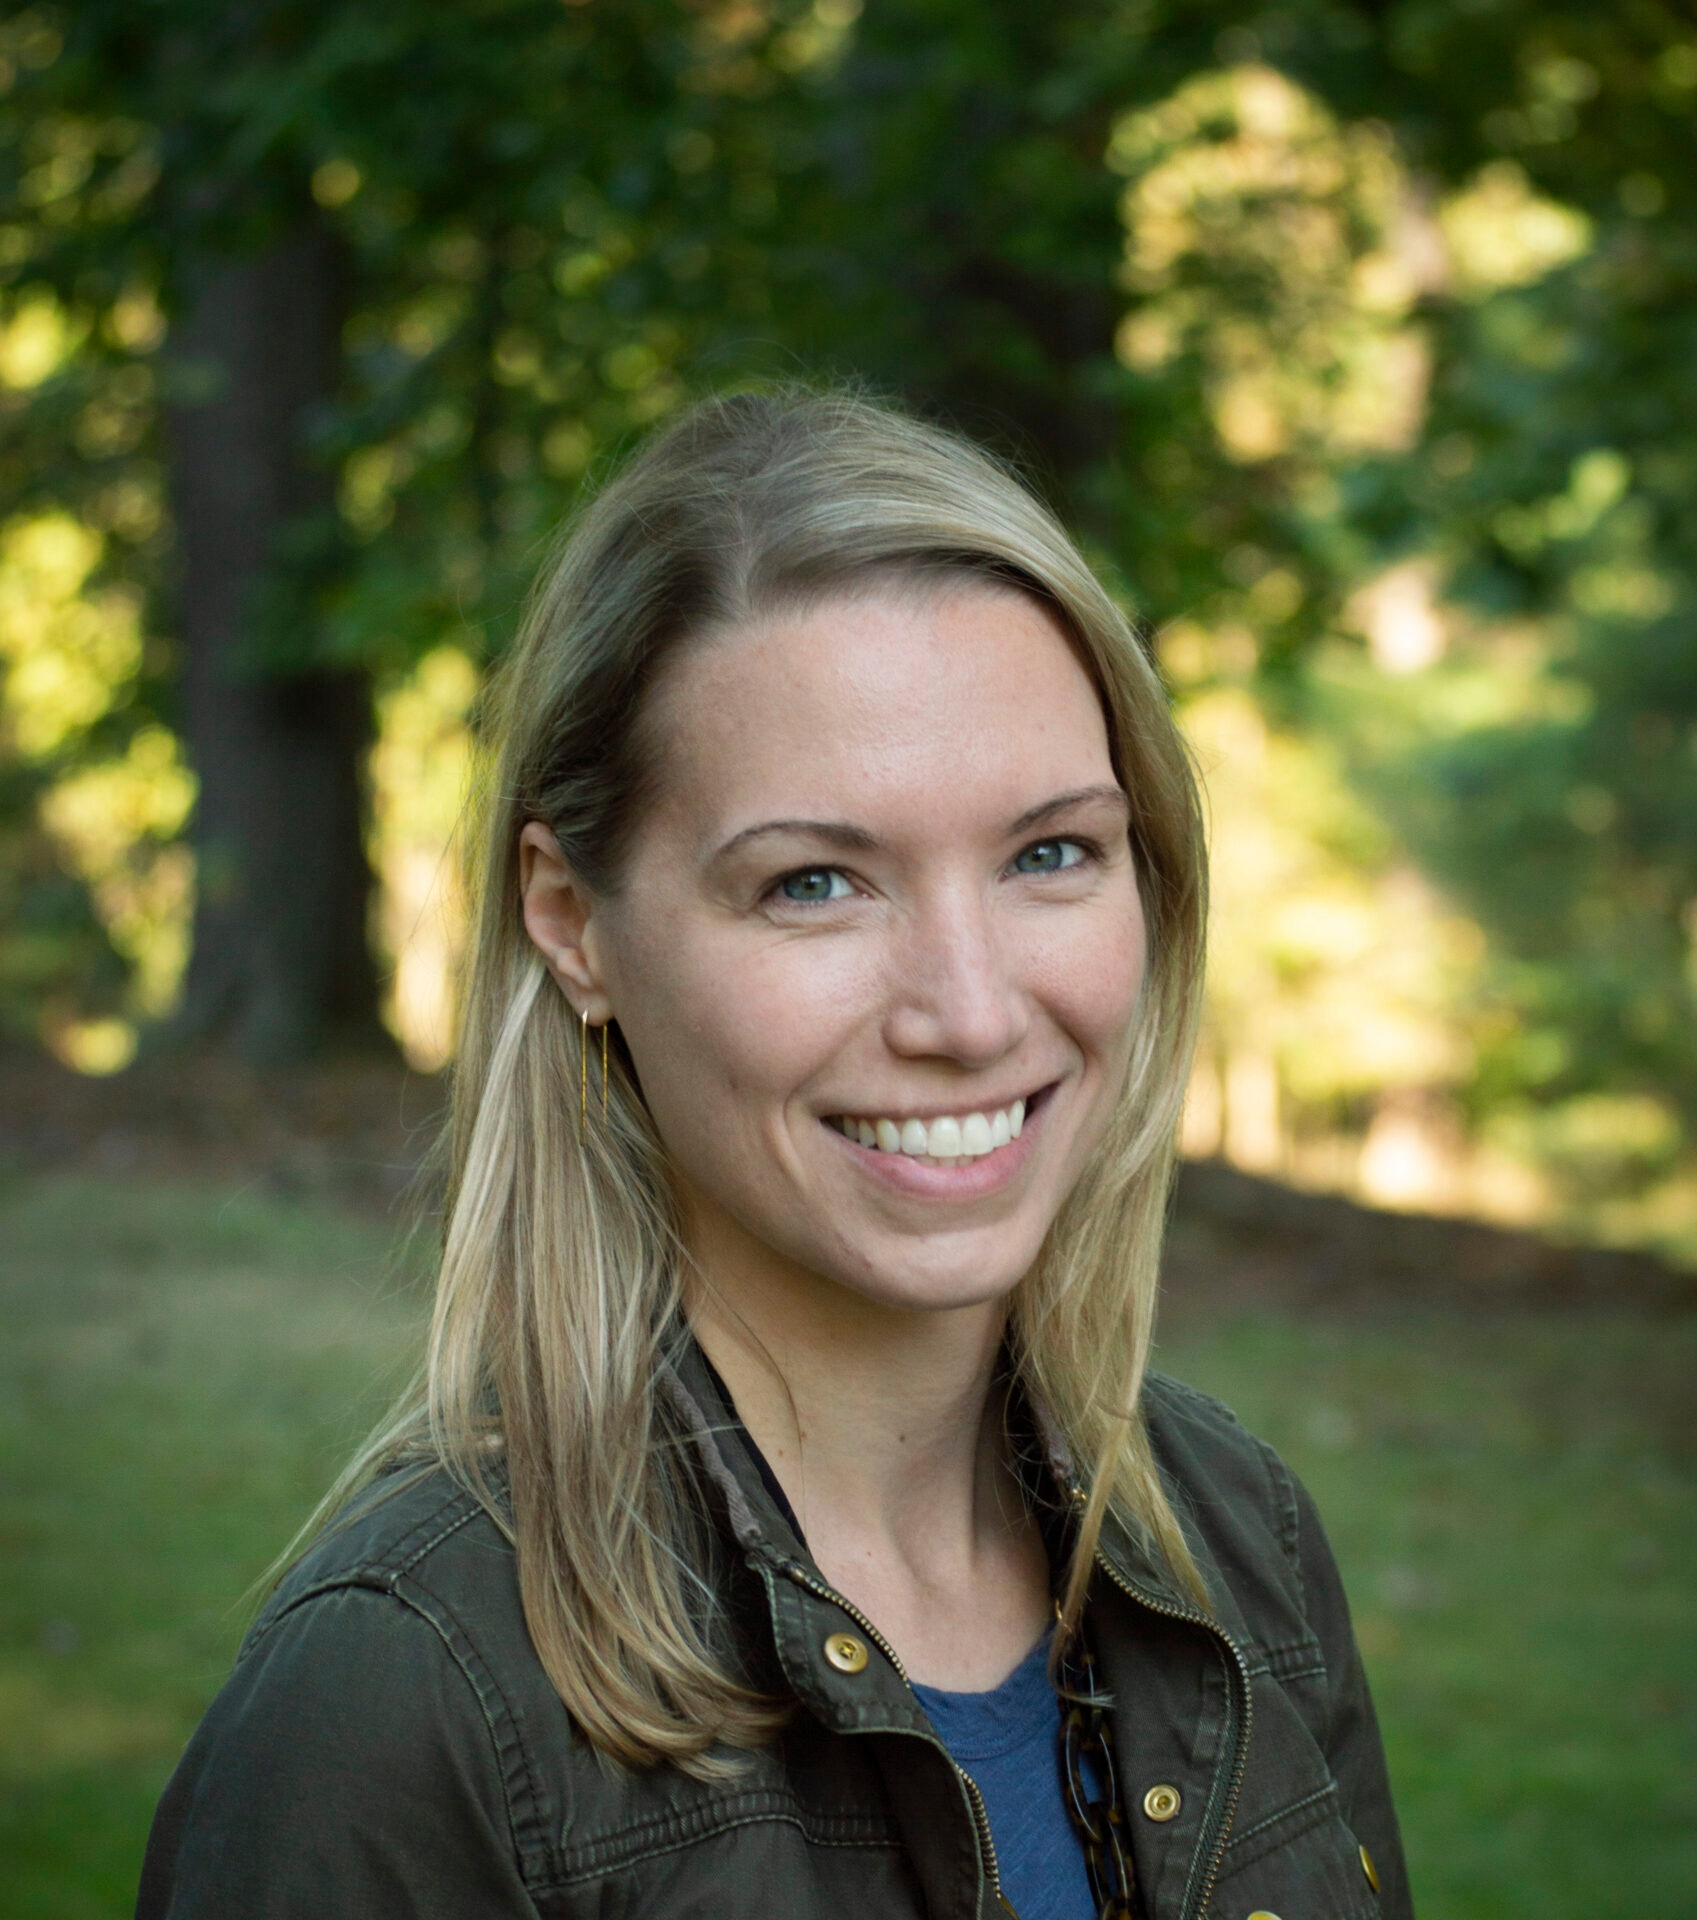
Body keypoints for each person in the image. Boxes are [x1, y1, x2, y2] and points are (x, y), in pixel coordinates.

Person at [138, 389, 1411, 1920]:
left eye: (1048, 853)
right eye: (814, 882)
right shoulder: (403, 1701)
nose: (968, 1008)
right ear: (571, 923)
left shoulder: (1234, 1540)